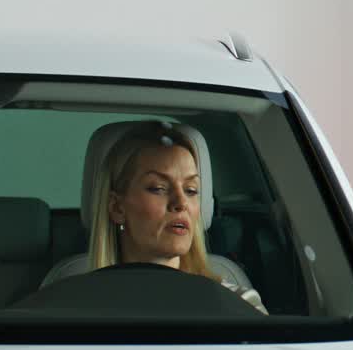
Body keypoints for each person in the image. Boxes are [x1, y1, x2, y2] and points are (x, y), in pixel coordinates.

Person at [88, 121, 267, 315]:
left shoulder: (238, 306)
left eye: (191, 190)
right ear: (117, 208)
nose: (181, 203)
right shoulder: (75, 307)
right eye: (158, 188)